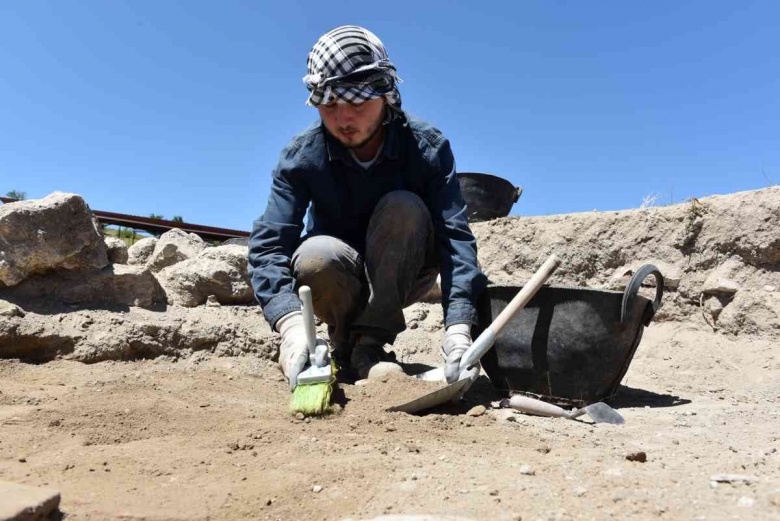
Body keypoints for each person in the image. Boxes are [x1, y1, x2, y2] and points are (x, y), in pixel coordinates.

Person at [248, 25, 487, 390]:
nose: (343, 119)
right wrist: (292, 327)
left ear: (385, 95)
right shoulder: (302, 157)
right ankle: (342, 346)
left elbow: (455, 239)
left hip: (406, 271)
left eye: (357, 103)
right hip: (335, 276)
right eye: (329, 105)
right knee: (316, 254)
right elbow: (269, 245)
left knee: (403, 208)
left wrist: (459, 328)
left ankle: (371, 346)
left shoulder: (426, 148)